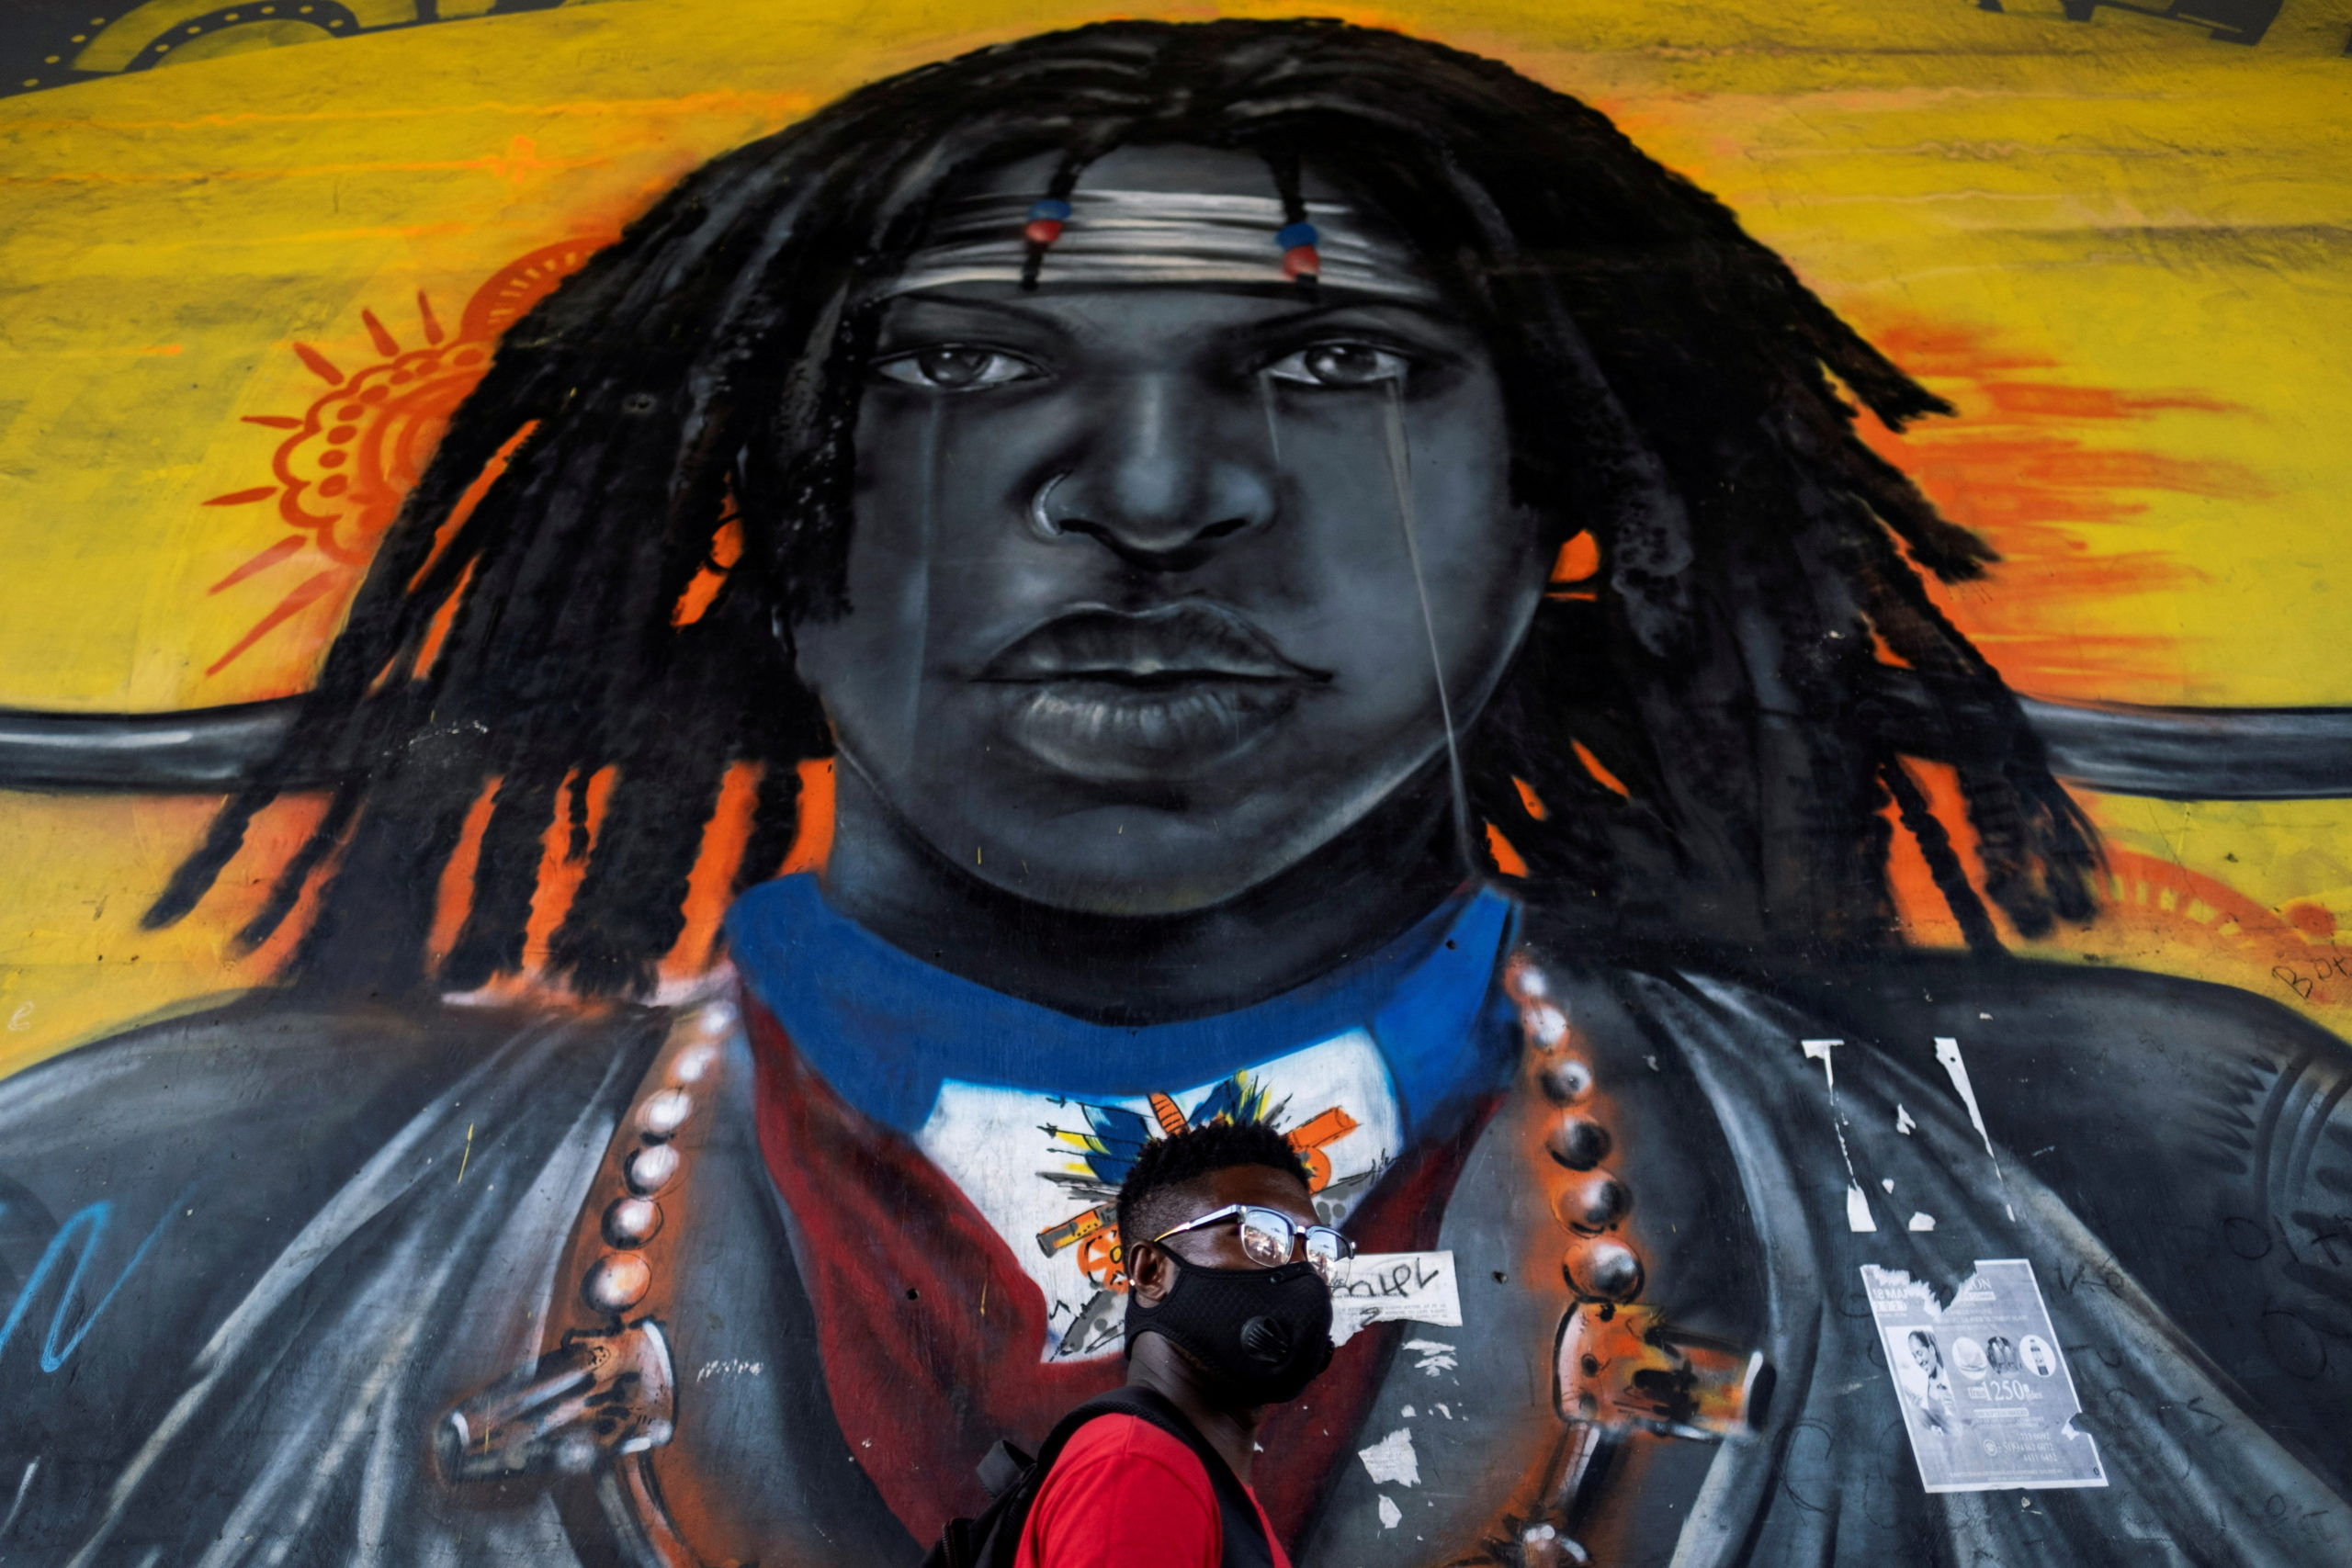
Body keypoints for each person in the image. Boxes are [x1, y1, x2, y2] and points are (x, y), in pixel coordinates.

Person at [0, 17, 2347, 1568]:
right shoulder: (143, 1227)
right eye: (961, 354)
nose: (1147, 489)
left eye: (1330, 359)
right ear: (753, 519)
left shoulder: (2166, 1183)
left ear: (1564, 517)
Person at [1012, 1122, 1343, 1568]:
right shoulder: (1138, 1469)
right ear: (1151, 1272)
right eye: (1263, 1238)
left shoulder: (1192, 1478)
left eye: (1318, 1251)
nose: (1304, 1274)